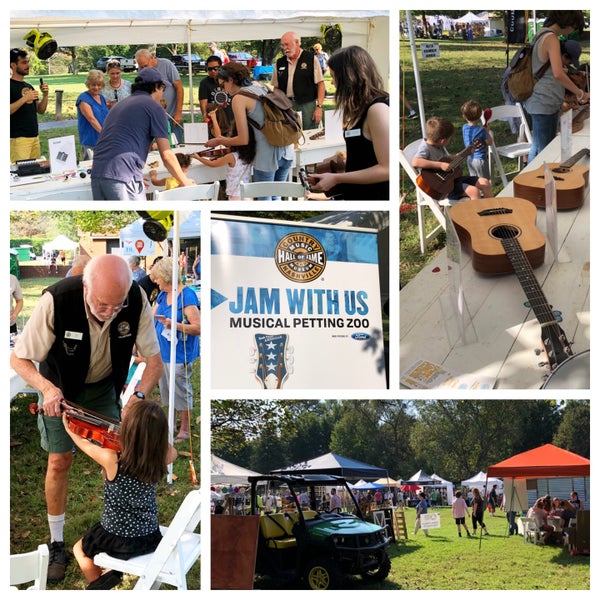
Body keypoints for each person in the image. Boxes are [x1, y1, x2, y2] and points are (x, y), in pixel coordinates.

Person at [9, 254, 163, 583]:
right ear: (85, 286)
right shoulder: (56, 299)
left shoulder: (136, 299)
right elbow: (18, 359)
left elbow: (154, 362)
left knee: (125, 456)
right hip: (59, 390)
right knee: (59, 461)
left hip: (104, 388)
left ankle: (124, 529)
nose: (109, 312)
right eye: (102, 304)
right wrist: (47, 390)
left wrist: (138, 396)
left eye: (116, 305)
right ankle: (57, 543)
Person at [65, 401, 177, 589]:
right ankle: (112, 572)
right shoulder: (163, 457)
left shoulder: (112, 459)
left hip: (115, 536)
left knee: (79, 549)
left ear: (128, 431)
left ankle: (98, 585)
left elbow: (83, 443)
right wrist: (150, 436)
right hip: (149, 535)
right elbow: (169, 448)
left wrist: (69, 427)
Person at [90, 67, 195, 200]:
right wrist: (185, 182)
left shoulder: (120, 104)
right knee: (135, 220)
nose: (162, 93)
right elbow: (167, 155)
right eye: (163, 88)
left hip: (98, 172)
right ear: (157, 87)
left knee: (110, 220)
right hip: (122, 174)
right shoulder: (155, 107)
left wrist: (135, 176)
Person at [307, 46, 389, 200]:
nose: (332, 82)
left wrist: (337, 178)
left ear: (349, 77)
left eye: (334, 76)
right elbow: (366, 157)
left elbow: (387, 169)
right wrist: (337, 168)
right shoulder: (360, 109)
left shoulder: (377, 110)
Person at [204, 62, 294, 200]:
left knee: (264, 200)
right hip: (286, 149)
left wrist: (219, 139)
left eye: (223, 86)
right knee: (276, 197)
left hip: (266, 155)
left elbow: (242, 139)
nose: (224, 90)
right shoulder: (261, 85)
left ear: (231, 80)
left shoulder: (238, 98)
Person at [523, 11, 589, 162]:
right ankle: (534, 181)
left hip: (540, 100)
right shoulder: (551, 38)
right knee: (545, 152)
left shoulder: (540, 34)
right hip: (544, 101)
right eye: (574, 28)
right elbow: (558, 74)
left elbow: (547, 66)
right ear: (569, 23)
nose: (571, 32)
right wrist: (580, 93)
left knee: (538, 148)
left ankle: (531, 179)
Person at [151, 258, 200, 443]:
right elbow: (152, 315)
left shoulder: (187, 296)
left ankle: (185, 429)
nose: (156, 281)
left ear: (166, 277)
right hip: (162, 351)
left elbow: (198, 327)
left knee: (180, 389)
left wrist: (175, 325)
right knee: (166, 389)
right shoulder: (163, 294)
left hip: (180, 353)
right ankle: (171, 424)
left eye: (158, 278)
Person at [411, 116, 492, 201]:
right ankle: (477, 213)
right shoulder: (425, 147)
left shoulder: (438, 145)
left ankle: (491, 209)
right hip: (442, 187)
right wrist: (440, 165)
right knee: (474, 191)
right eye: (449, 138)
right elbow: (415, 162)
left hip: (452, 180)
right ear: (443, 140)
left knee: (485, 183)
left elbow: (448, 160)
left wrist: (466, 152)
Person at [195, 107, 254, 199]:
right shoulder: (250, 153)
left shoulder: (231, 156)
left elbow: (213, 164)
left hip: (235, 195)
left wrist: (198, 157)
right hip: (247, 194)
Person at [272, 31, 325, 130]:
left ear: (296, 42)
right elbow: (276, 87)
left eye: (287, 44)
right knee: (288, 133)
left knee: (308, 133)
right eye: (282, 45)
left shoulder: (311, 59)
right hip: (286, 105)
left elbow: (321, 84)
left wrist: (319, 107)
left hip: (306, 105)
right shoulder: (280, 63)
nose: (284, 48)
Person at [135, 49, 185, 143]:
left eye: (145, 65)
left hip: (172, 116)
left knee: (176, 146)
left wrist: (178, 112)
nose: (144, 69)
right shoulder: (142, 71)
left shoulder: (166, 65)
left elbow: (179, 88)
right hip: (154, 118)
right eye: (141, 67)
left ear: (151, 58)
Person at [10, 48, 49, 163]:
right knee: (21, 173)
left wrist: (45, 95)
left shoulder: (29, 86)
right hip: (18, 139)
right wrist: (25, 98)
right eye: (23, 63)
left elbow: (40, 110)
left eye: (28, 62)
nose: (28, 65)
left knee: (34, 171)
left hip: (34, 137)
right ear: (13, 65)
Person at [76, 70, 110, 160]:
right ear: (88, 84)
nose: (96, 88)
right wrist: (105, 134)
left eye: (99, 85)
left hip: (104, 140)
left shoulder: (101, 98)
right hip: (91, 140)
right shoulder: (83, 98)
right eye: (93, 85)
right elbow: (91, 119)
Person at [461, 99, 492, 179]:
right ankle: (483, 192)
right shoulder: (482, 130)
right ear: (480, 115)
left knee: (475, 181)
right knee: (484, 181)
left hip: (470, 158)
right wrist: (487, 131)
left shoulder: (464, 127)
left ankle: (477, 191)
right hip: (480, 160)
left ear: (464, 116)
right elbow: (489, 142)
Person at [198, 55, 233, 126]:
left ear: (221, 68)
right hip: (215, 120)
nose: (212, 71)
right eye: (210, 69)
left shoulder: (229, 80)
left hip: (231, 118)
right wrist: (205, 117)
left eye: (215, 68)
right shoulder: (204, 83)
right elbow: (203, 103)